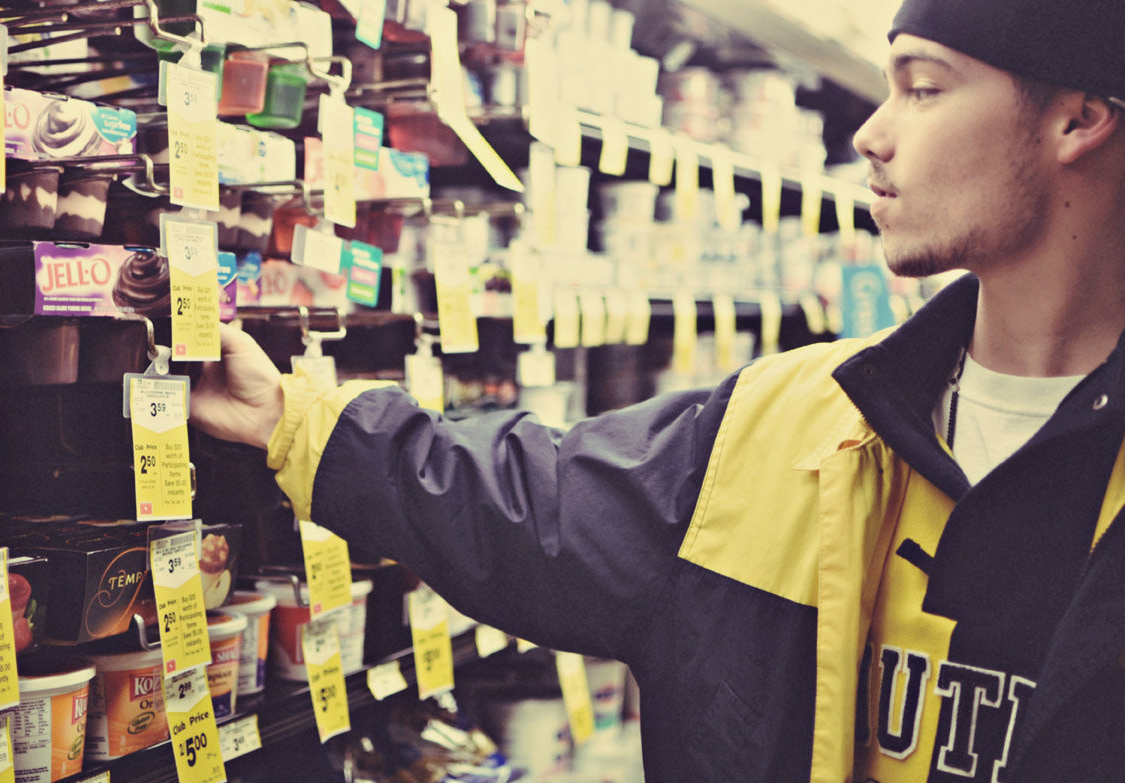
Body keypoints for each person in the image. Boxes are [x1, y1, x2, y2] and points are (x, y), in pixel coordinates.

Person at [189, 0, 1125, 779]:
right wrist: (292, 418)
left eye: (922, 88)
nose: (869, 135)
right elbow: (530, 502)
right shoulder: (796, 416)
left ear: (1076, 119)